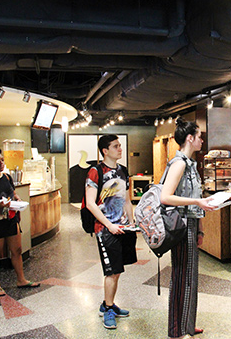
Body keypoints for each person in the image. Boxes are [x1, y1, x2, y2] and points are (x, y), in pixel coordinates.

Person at [160, 117, 217, 339]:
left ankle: (188, 324)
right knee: (182, 277)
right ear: (190, 138)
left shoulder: (190, 164)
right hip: (181, 226)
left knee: (190, 277)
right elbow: (166, 196)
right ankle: (177, 330)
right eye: (199, 136)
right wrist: (197, 204)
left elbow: (195, 197)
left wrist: (200, 228)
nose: (202, 140)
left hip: (191, 224)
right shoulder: (180, 163)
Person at [84, 134, 137, 330]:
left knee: (118, 270)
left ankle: (109, 303)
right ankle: (107, 309)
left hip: (122, 227)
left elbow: (126, 200)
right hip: (105, 229)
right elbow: (90, 203)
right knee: (111, 272)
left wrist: (132, 223)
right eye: (116, 146)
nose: (120, 149)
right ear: (105, 151)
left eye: (120, 146)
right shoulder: (95, 172)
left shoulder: (123, 171)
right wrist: (108, 225)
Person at [0, 147, 39, 297]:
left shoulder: (7, 177)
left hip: (11, 219)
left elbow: (13, 192)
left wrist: (17, 200)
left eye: (2, 160)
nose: (1, 163)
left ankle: (21, 279)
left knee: (16, 250)